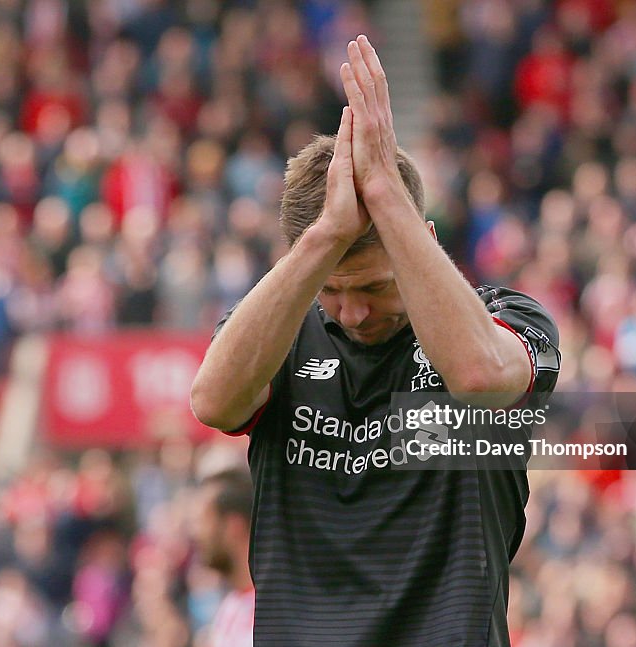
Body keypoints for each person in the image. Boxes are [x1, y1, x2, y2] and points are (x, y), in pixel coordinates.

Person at [191, 35, 561, 646]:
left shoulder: (508, 318)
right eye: (332, 288)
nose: (355, 312)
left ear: (425, 238)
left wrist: (386, 195)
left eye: (376, 286)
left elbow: (476, 376)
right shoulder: (278, 334)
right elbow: (213, 401)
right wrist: (324, 237)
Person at [192, 469, 255, 647]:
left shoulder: (278, 614)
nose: (196, 534)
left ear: (233, 526)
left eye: (203, 521)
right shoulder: (229, 609)